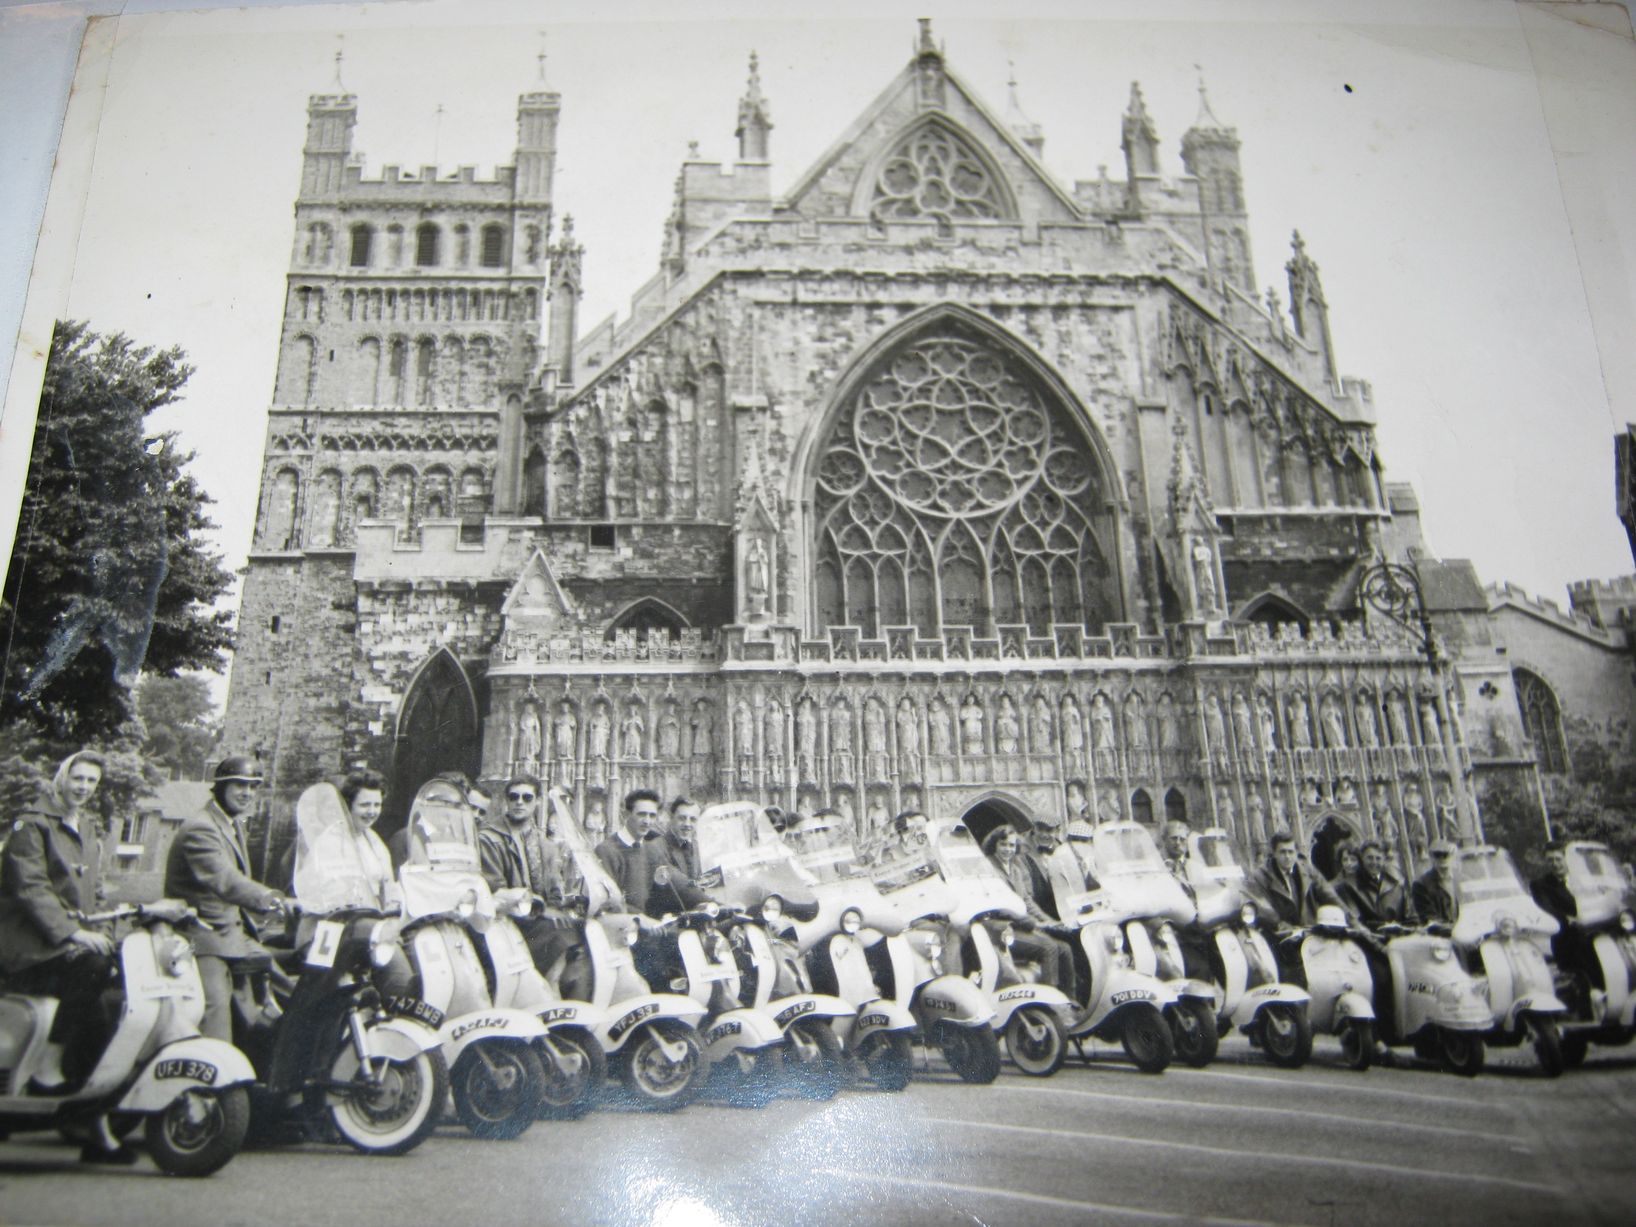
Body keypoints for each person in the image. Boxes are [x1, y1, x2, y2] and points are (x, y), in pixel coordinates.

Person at [0, 751, 121, 1105]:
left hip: (65, 942)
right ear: (62, 778)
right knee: (92, 968)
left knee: (110, 1000)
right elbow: (31, 888)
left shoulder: (85, 827)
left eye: (91, 781)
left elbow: (96, 890)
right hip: (29, 943)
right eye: (77, 778)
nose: (83, 787)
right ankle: (46, 1066)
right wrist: (74, 934)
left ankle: (90, 1109)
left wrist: (106, 932)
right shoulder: (32, 823)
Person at [164, 755, 289, 1043]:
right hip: (202, 935)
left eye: (253, 787)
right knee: (215, 1009)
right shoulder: (201, 827)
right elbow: (225, 880)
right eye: (239, 785)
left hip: (232, 932)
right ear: (221, 787)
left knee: (290, 982)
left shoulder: (230, 824)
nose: (247, 793)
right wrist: (271, 899)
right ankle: (215, 1074)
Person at [981, 826, 1080, 1002]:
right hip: (1002, 929)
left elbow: (1026, 901)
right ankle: (1051, 1000)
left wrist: (1049, 921)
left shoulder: (1015, 870)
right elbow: (996, 904)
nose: (1008, 849)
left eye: (1011, 846)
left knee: (1064, 948)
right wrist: (1030, 921)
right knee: (1049, 946)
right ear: (994, 845)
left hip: (1022, 925)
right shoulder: (987, 869)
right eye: (1003, 844)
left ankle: (1070, 1000)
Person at [595, 788, 662, 916]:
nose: (647, 821)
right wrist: (641, 918)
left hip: (651, 925)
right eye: (641, 814)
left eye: (652, 816)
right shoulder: (606, 850)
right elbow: (608, 901)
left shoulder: (652, 849)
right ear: (626, 815)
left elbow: (673, 880)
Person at [646, 797, 712, 919]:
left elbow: (707, 880)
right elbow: (681, 886)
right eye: (682, 818)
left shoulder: (698, 847)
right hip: (667, 920)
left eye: (692, 819)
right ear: (671, 819)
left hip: (697, 915)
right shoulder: (655, 847)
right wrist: (714, 903)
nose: (687, 824)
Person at [1335, 840, 1416, 930]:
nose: (1374, 862)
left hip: (1400, 937)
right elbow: (1355, 921)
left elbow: (1411, 918)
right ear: (1362, 859)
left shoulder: (1397, 885)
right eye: (1370, 858)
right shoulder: (1349, 886)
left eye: (1378, 858)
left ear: (1384, 860)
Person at [1530, 840, 1581, 967]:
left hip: (1594, 929)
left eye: (1558, 859)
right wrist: (1569, 919)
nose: (1555, 864)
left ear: (1567, 859)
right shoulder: (1540, 885)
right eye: (1550, 860)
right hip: (1568, 938)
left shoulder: (1582, 878)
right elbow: (1548, 909)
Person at [1410, 839, 1460, 926]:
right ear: (1431, 858)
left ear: (1453, 856)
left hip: (1466, 932)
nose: (1442, 859)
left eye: (1446, 854)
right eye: (1437, 855)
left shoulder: (1460, 880)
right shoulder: (1421, 885)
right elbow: (1429, 919)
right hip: (1440, 936)